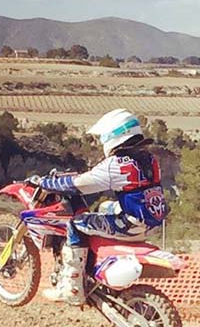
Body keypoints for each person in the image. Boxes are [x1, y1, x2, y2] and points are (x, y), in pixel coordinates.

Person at [34, 109, 168, 304]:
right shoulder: (149, 159)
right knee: (105, 207)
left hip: (130, 225)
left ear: (115, 135)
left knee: (76, 223)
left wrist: (45, 183)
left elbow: (79, 185)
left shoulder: (118, 164)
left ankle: (72, 287)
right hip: (150, 222)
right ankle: (97, 268)